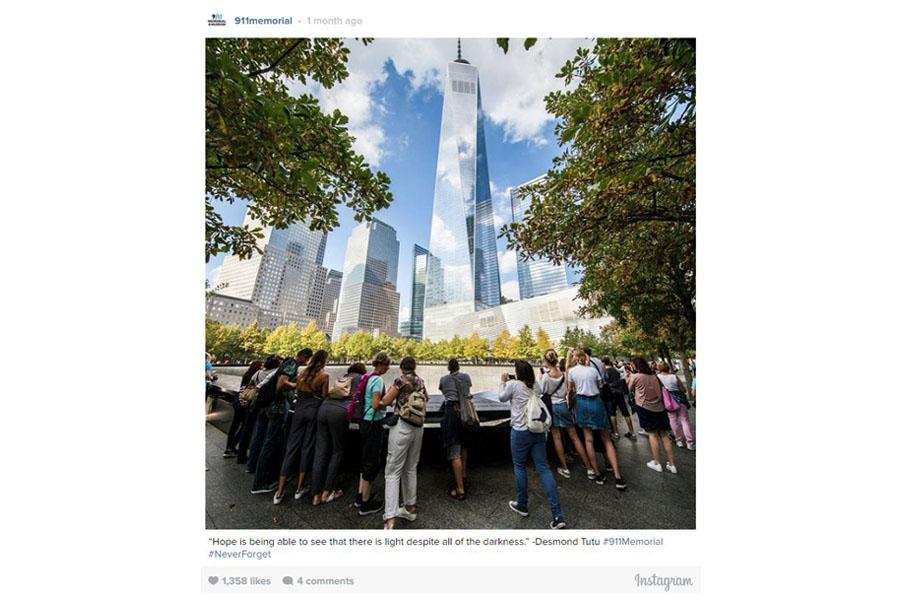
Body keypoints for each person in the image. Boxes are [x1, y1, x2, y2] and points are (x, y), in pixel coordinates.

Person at [500, 360, 567, 529]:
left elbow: (501, 398)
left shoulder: (514, 385)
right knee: (544, 468)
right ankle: (557, 515)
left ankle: (522, 504)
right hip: (538, 431)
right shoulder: (535, 386)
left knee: (519, 466)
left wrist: (502, 381)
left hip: (520, 432)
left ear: (518, 373)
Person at [274, 349, 329, 504]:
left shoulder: (302, 374)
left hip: (298, 411)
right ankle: (299, 488)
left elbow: (296, 389)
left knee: (291, 447)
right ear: (324, 361)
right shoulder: (324, 376)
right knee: (307, 447)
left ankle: (279, 491)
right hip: (313, 411)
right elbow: (324, 397)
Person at [567, 349, 627, 490]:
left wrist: (570, 404)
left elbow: (570, 390)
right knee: (606, 439)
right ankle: (618, 476)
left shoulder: (572, 372)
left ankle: (597, 473)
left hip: (581, 402)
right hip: (596, 402)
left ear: (575, 359)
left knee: (588, 439)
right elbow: (601, 385)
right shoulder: (593, 371)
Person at [380, 356, 428, 529]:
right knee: (411, 467)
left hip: (402, 427)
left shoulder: (400, 381)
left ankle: (390, 518)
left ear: (401, 368)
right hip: (418, 427)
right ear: (414, 367)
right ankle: (409, 508)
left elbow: (385, 401)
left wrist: (393, 401)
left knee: (392, 471)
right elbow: (425, 400)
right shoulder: (421, 382)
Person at [310, 362, 366, 505]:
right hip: (340, 412)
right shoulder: (362, 378)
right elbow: (362, 401)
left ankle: (315, 495)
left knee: (321, 451)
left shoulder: (343, 377)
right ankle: (327, 492)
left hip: (324, 409)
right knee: (337, 451)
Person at [250, 356, 298, 494]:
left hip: (265, 406)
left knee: (261, 438)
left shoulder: (276, 371)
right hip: (277, 409)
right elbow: (281, 384)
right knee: (271, 442)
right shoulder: (291, 365)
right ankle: (261, 483)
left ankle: (252, 467)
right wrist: (297, 385)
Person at [539, 349, 590, 479]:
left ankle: (565, 468)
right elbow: (569, 390)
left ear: (546, 361)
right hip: (564, 405)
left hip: (553, 407)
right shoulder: (564, 373)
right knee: (574, 437)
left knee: (557, 437)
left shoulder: (545, 376)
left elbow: (542, 392)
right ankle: (589, 466)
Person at [356, 352, 392, 516]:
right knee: (372, 460)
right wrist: (389, 399)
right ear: (382, 364)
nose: (389, 368)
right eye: (387, 365)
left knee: (365, 458)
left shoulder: (368, 376)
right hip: (373, 423)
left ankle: (360, 496)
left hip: (364, 420)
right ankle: (365, 503)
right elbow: (376, 403)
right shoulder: (377, 379)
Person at [627, 357, 678, 473]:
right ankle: (672, 464)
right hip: (659, 407)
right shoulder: (654, 376)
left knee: (652, 435)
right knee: (664, 435)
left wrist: (629, 377)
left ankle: (657, 462)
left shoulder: (636, 376)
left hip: (645, 407)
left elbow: (628, 389)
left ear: (635, 366)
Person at [439, 358, 473, 500]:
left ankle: (460, 489)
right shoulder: (466, 377)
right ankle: (463, 476)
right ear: (458, 366)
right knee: (463, 445)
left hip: (451, 414)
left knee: (454, 452)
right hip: (465, 414)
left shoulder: (444, 379)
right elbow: (467, 391)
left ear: (448, 367)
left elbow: (443, 391)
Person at [239, 356, 281, 466]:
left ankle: (242, 455)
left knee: (248, 429)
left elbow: (250, 384)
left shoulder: (258, 372)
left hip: (252, 403)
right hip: (264, 405)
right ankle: (257, 461)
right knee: (261, 433)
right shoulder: (275, 373)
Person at [224, 360, 262, 458]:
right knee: (245, 427)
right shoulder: (256, 377)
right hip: (245, 404)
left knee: (235, 425)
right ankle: (233, 447)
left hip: (238, 401)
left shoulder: (246, 375)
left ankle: (228, 448)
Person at [657, 363, 694, 449]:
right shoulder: (674, 376)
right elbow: (683, 390)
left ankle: (679, 440)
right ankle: (690, 443)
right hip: (680, 400)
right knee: (685, 421)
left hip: (668, 402)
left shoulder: (657, 377)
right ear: (668, 368)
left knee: (673, 420)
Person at [601, 357, 637, 440]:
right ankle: (632, 432)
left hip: (610, 393)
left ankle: (616, 433)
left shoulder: (604, 372)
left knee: (612, 413)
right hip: (619, 393)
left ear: (603, 363)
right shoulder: (615, 370)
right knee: (625, 412)